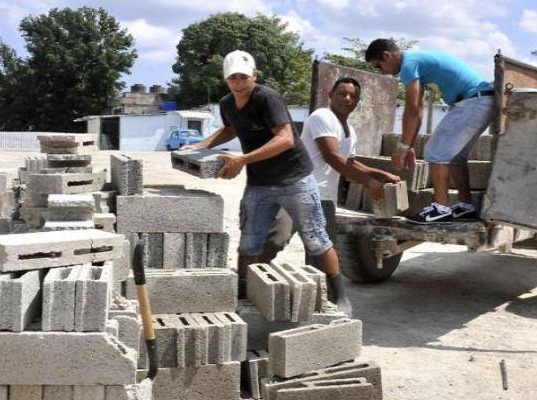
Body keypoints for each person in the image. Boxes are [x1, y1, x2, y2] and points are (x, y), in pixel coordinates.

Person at [180, 50, 352, 315]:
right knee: (248, 242)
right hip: (260, 183)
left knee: (316, 239)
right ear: (226, 79)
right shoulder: (227, 104)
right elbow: (229, 128)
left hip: (295, 179)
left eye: (243, 77)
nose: (239, 83)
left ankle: (341, 296)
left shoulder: (267, 99)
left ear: (254, 76)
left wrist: (243, 159)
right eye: (233, 78)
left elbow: (285, 139)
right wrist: (200, 145)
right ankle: (243, 293)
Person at [260, 77, 401, 267]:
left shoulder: (350, 130)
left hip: (324, 198)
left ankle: (319, 294)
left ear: (357, 102)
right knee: (275, 240)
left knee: (322, 254)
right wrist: (369, 183)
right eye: (342, 94)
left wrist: (380, 174)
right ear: (330, 95)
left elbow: (349, 161)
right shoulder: (322, 117)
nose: (347, 99)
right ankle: (243, 281)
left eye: (353, 96)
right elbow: (333, 157)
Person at [365, 38, 495, 224]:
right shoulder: (417, 61)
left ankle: (441, 208)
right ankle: (466, 206)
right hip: (481, 100)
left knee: (435, 151)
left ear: (387, 55)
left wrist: (402, 146)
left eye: (379, 66)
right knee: (454, 157)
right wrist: (408, 145)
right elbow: (417, 110)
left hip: (473, 101)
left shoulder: (409, 65)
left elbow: (411, 109)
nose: (383, 72)